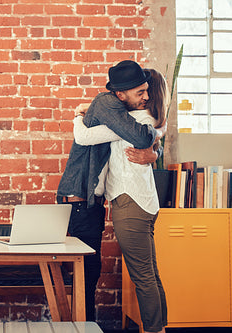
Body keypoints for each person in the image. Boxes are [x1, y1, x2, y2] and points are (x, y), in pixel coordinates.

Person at [56, 60, 165, 322]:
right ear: (121, 93)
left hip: (94, 200)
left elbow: (143, 133)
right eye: (140, 92)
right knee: (86, 269)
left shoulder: (124, 113)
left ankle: (84, 325)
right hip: (80, 199)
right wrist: (77, 116)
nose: (146, 97)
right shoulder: (109, 106)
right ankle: (81, 326)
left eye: (147, 91)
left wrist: (155, 149)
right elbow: (87, 137)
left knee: (91, 269)